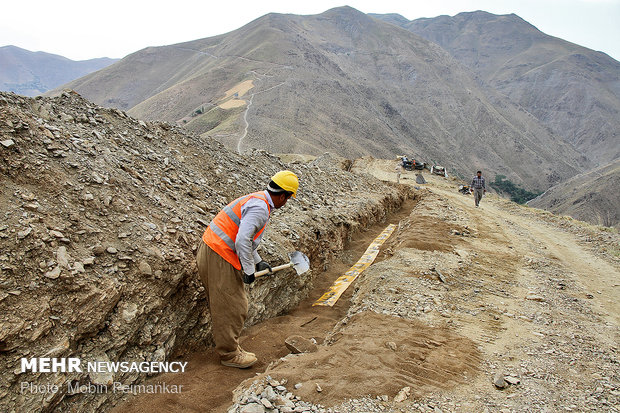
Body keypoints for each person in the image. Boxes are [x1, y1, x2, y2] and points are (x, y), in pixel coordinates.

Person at [196, 170, 299, 368]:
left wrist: (258, 261)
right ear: (282, 195)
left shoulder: (258, 200)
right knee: (233, 306)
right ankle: (229, 354)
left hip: (212, 249)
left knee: (224, 304)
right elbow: (242, 239)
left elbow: (246, 239)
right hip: (219, 254)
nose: (285, 203)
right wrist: (249, 269)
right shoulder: (261, 208)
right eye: (287, 198)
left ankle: (229, 345)